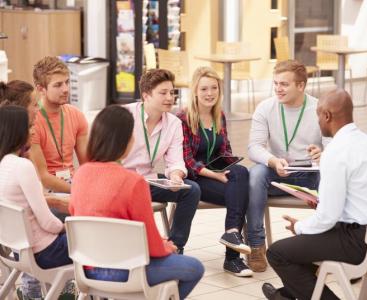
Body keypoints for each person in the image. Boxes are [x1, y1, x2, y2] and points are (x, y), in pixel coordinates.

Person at [261, 89, 367, 300]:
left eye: (317, 116)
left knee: (278, 253)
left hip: (361, 242)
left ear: (327, 116)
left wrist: (299, 227)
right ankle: (286, 296)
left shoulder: (335, 151)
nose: (318, 122)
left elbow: (327, 218)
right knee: (304, 245)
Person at [69, 105, 204, 300]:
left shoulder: (80, 174)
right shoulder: (134, 182)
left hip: (87, 271)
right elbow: (152, 245)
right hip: (127, 273)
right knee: (194, 268)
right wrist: (167, 246)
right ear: (125, 142)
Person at [246, 60, 325, 272]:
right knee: (255, 174)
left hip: (311, 171)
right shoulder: (266, 107)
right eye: (276, 83)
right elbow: (254, 147)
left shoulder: (319, 108)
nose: (278, 89)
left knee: (331, 176)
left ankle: (323, 244)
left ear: (301, 86)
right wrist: (272, 160)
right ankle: (255, 245)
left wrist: (323, 154)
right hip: (277, 171)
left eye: (284, 84)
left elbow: (334, 145)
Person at [177, 66, 252, 277]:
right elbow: (188, 161)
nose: (209, 93)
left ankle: (232, 234)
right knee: (240, 193)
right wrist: (215, 175)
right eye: (204, 89)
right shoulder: (183, 118)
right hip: (196, 178)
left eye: (214, 88)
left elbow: (225, 150)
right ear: (195, 91)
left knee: (241, 173)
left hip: (218, 174)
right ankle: (233, 259)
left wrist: (232, 163)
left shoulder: (219, 115)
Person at [122, 69, 200, 254]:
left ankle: (174, 247)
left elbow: (175, 161)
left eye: (172, 93)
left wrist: (176, 176)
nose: (169, 98)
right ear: (146, 95)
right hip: (122, 181)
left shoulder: (173, 123)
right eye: (163, 93)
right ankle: (135, 248)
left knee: (191, 190)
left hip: (147, 180)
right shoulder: (125, 115)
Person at [0, 105, 73, 299]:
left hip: (16, 253)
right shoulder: (23, 167)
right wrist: (70, 227)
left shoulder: (4, 164)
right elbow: (48, 223)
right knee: (96, 239)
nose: (33, 131)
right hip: (46, 252)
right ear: (16, 131)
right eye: (30, 126)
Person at [30, 56, 88, 193]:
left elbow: (88, 165)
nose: (66, 89)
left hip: (73, 185)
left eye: (67, 82)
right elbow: (43, 177)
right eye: (58, 85)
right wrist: (81, 191)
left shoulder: (76, 115)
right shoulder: (32, 121)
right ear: (41, 89)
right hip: (46, 190)